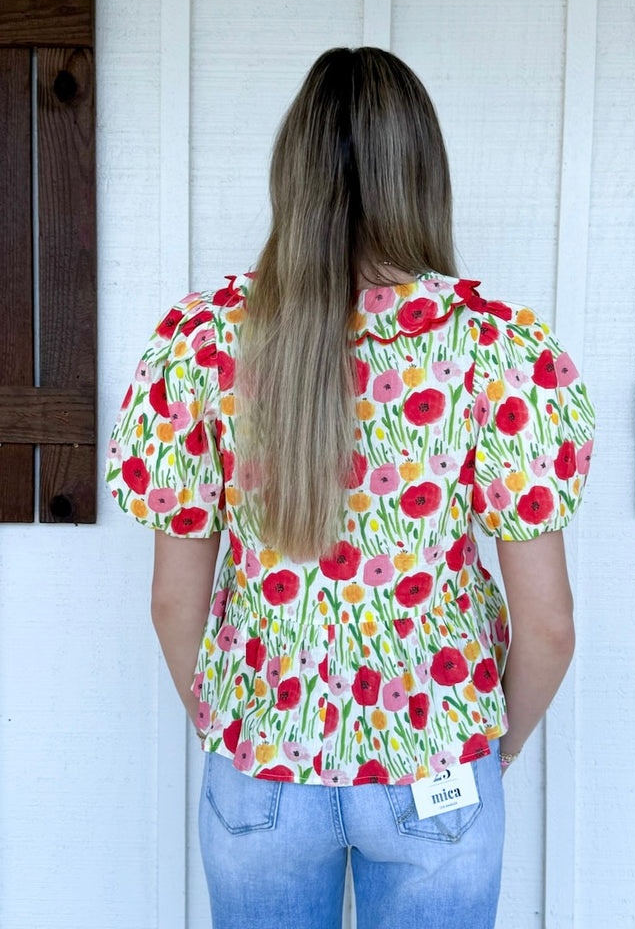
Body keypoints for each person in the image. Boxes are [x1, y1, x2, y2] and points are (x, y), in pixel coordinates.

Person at [107, 47, 594, 929]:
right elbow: (550, 627)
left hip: (260, 768)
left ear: (292, 174)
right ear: (422, 175)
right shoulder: (500, 352)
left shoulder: (201, 344)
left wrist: (237, 734)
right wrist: (496, 745)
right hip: (435, 761)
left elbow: (172, 605)